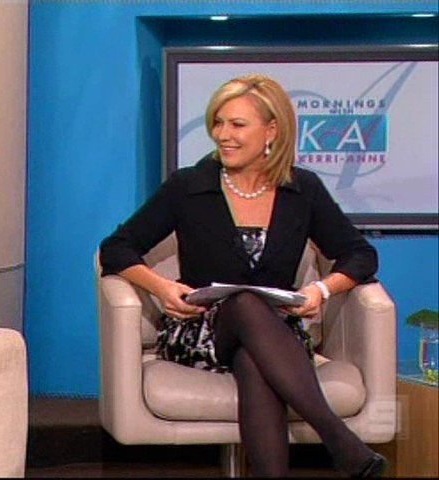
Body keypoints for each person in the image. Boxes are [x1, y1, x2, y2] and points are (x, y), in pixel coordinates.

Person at [99, 74, 387, 477]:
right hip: (200, 331)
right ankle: (339, 440)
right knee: (246, 302)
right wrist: (162, 287)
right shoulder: (189, 186)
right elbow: (116, 248)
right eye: (218, 123)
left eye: (237, 124)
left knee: (253, 360)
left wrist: (322, 290)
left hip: (276, 335)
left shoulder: (302, 189)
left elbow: (359, 254)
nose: (223, 135)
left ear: (271, 130)